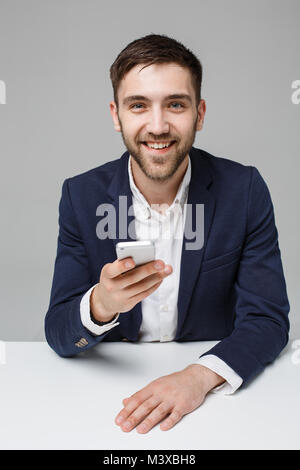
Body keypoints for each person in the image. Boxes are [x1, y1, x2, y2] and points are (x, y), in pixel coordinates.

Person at [45, 34, 290, 434]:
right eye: (138, 105)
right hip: (101, 406)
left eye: (175, 104)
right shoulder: (80, 196)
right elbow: (58, 333)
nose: (158, 126)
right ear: (116, 115)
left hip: (224, 411)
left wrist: (198, 377)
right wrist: (101, 304)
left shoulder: (244, 191)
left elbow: (268, 320)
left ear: (200, 113)